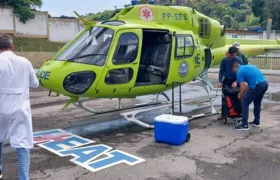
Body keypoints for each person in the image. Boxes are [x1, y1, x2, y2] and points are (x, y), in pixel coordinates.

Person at [0, 34, 39, 180]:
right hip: (20, 108)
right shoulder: (25, 62)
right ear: (12, 47)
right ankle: (24, 178)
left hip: (1, 107)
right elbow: (35, 83)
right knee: (22, 144)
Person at [232, 61, 268, 131]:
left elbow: (242, 87)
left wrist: (241, 96)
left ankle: (244, 125)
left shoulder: (239, 72)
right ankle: (256, 122)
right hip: (265, 83)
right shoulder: (249, 67)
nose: (234, 72)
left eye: (233, 70)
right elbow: (248, 85)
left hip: (258, 85)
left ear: (235, 68)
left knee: (244, 102)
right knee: (257, 103)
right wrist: (244, 93)